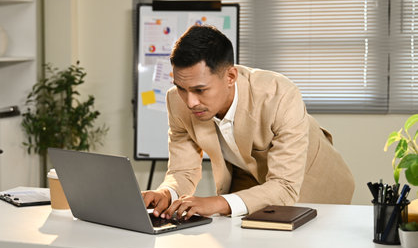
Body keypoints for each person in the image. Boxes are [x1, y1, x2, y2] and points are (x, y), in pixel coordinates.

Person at [142, 25, 355, 220]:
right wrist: (166, 192)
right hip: (247, 175)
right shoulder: (175, 101)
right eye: (181, 87)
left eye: (200, 90)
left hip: (310, 179)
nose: (190, 102)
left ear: (230, 77)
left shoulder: (280, 95)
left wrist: (216, 202)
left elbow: (285, 186)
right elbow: (182, 171)